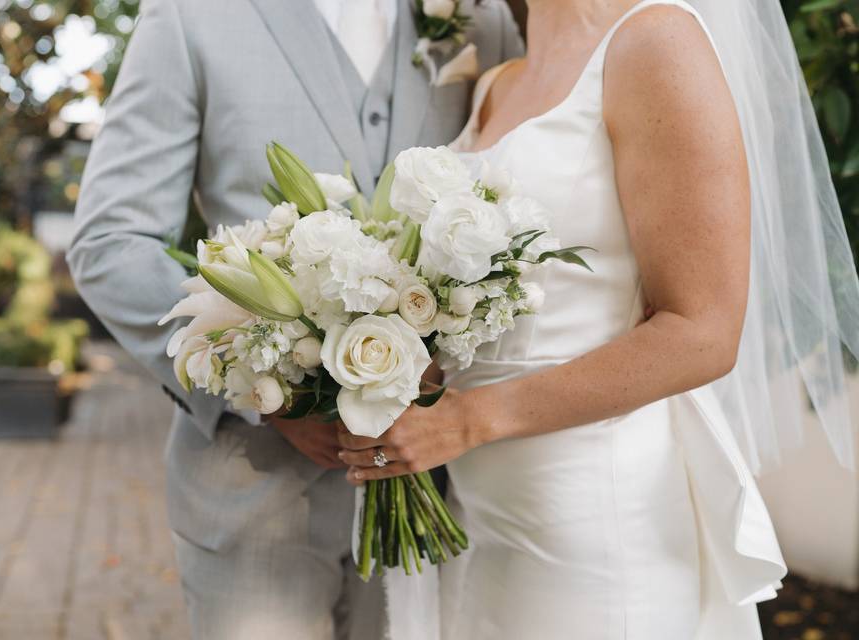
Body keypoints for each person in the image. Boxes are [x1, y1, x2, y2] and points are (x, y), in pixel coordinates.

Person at [336, 0, 859, 637]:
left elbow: (703, 333)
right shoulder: (500, 80)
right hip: (480, 516)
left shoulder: (655, 42)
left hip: (595, 516)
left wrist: (471, 419)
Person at [67, 0, 522, 637]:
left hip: (438, 498)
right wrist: (263, 385)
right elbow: (111, 242)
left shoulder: (482, 19)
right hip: (255, 498)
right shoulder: (188, 15)